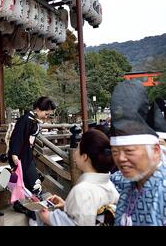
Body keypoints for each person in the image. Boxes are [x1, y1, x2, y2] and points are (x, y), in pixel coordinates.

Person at [109, 80, 165, 226]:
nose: (121, 158)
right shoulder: (129, 188)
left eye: (129, 151)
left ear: (156, 150)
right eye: (115, 152)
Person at [37, 129, 119, 226]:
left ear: (85, 157)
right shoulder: (110, 185)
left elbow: (77, 223)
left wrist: (49, 218)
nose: (75, 152)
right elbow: (89, 213)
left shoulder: (81, 190)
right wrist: (66, 206)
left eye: (78, 148)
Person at [8, 96, 56, 217]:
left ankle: (23, 205)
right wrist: (14, 154)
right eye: (46, 113)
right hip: (19, 155)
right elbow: (17, 136)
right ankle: (30, 208)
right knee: (34, 184)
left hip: (26, 155)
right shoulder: (26, 119)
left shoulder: (33, 120)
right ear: (38, 109)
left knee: (26, 182)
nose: (47, 116)